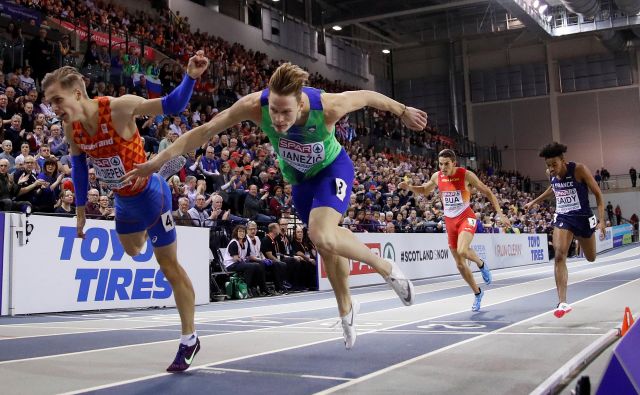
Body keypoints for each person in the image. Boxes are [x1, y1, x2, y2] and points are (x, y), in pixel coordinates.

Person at [126, 62, 426, 349]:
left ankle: (386, 268)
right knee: (326, 246)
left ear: (301, 104)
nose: (279, 119)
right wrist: (156, 162)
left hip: (332, 170)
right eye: (274, 112)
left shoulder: (328, 106)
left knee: (322, 234)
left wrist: (401, 110)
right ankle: (346, 308)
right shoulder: (253, 105)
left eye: (286, 113)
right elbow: (204, 131)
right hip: (298, 180)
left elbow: (367, 97)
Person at [42, 50, 209, 372]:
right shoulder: (72, 129)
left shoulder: (118, 108)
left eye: (57, 100)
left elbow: (172, 106)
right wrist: (79, 211)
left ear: (77, 93)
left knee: (168, 266)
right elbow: (77, 166)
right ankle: (159, 181)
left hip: (151, 196)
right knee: (133, 251)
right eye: (50, 103)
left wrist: (190, 76)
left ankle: (189, 339)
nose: (54, 109)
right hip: (122, 200)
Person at [398, 149, 510, 312]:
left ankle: (481, 263)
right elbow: (425, 190)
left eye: (446, 164)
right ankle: (477, 293)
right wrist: (410, 187)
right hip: (450, 221)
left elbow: (487, 192)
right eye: (440, 164)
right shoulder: (437, 176)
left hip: (466, 216)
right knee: (459, 264)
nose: (443, 167)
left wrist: (501, 214)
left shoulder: (466, 175)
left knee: (462, 249)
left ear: (454, 163)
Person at [524, 142, 605, 318]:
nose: (551, 168)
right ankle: (562, 302)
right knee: (559, 255)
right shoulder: (550, 173)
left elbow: (598, 194)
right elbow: (552, 188)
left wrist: (602, 221)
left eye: (554, 164)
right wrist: (534, 201)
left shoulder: (579, 170)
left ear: (563, 160)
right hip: (563, 217)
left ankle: (581, 238)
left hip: (583, 218)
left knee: (591, 258)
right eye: (548, 166)